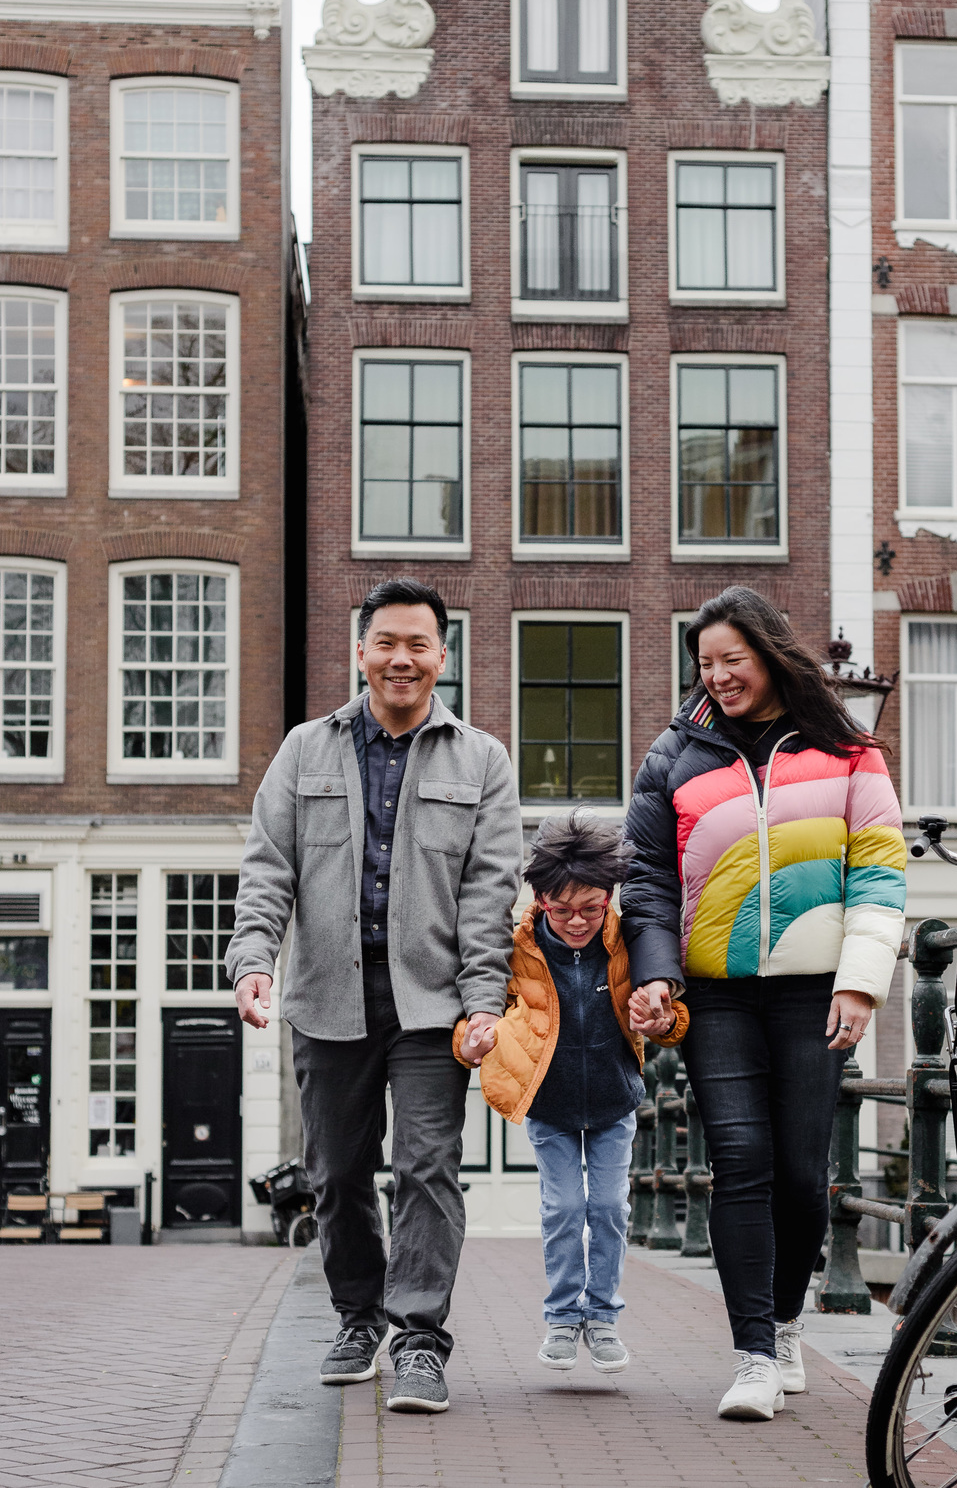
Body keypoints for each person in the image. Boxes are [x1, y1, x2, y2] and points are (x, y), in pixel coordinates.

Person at [226, 577, 523, 1416]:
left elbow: (488, 893)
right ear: (361, 652)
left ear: (442, 655)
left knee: (429, 1167)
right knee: (337, 1173)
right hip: (328, 997)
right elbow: (267, 869)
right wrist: (253, 959)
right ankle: (359, 1317)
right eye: (386, 643)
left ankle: (421, 1339)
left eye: (419, 644)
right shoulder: (302, 752)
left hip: (433, 1007)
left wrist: (484, 1003)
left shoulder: (484, 760)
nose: (402, 658)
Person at [621, 586, 906, 1421]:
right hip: (717, 993)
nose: (719, 677)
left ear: (771, 655)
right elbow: (645, 877)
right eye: (705, 665)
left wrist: (860, 979)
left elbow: (881, 869)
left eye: (732, 661)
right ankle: (753, 1353)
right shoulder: (675, 754)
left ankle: (784, 1323)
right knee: (738, 1161)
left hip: (816, 991)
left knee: (802, 1177)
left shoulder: (849, 750)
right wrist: (655, 973)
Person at [455, 812, 688, 1375]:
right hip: (551, 1102)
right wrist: (471, 1043)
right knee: (563, 1208)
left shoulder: (629, 941)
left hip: (613, 1099)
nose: (577, 921)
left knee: (607, 1207)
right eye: (562, 911)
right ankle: (562, 1319)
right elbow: (477, 1016)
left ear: (610, 897)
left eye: (591, 908)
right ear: (539, 900)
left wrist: (658, 1022)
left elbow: (675, 1018)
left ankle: (602, 1318)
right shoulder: (518, 947)